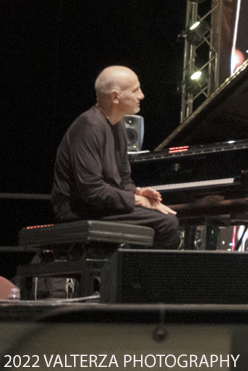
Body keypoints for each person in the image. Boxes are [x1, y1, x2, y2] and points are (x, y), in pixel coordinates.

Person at [50, 66, 180, 249]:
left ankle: (132, 274)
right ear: (115, 97)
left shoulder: (117, 125)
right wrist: (136, 200)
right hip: (77, 209)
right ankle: (136, 276)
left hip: (99, 205)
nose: (141, 95)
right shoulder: (89, 126)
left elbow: (124, 179)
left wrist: (136, 192)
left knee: (168, 218)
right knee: (166, 223)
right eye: (135, 90)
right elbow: (92, 191)